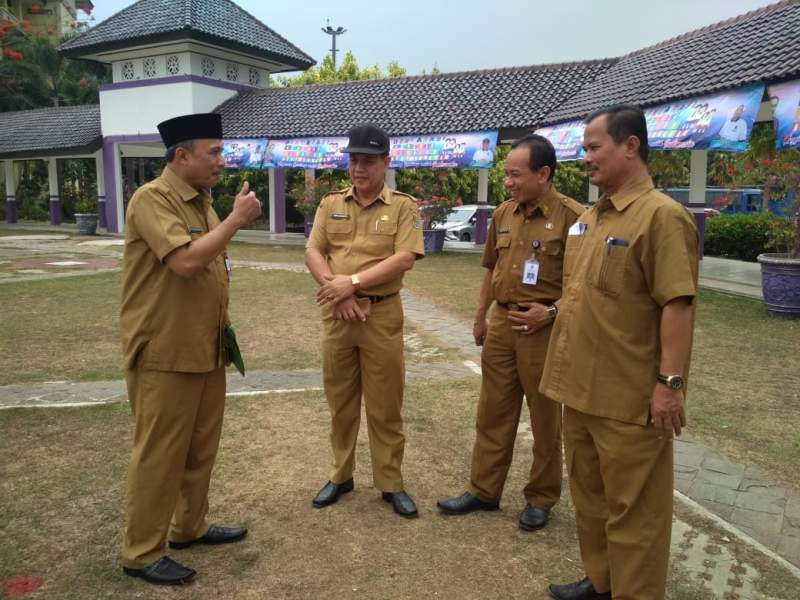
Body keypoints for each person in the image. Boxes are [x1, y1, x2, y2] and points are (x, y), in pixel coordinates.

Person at [542, 105, 699, 600]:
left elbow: (677, 303)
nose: (585, 158)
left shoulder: (662, 217)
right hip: (579, 387)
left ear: (630, 146)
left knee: (637, 513)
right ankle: (603, 582)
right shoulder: (590, 218)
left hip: (629, 398)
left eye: (593, 147)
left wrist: (669, 385)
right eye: (584, 149)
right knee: (590, 501)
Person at [119, 113, 262, 585]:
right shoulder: (151, 200)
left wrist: (226, 217)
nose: (222, 161)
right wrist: (238, 220)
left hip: (204, 347)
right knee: (160, 454)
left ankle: (189, 526)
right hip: (165, 351)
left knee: (201, 448)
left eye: (221, 152)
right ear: (181, 156)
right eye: (213, 152)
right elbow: (185, 262)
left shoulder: (202, 202)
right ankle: (141, 552)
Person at [437, 134, 584, 531]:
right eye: (506, 175)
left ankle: (541, 497)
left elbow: (582, 286)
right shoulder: (504, 214)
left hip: (543, 328)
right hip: (503, 323)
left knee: (545, 419)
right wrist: (480, 316)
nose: (509, 182)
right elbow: (490, 269)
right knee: (493, 412)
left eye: (516, 175)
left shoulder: (574, 218)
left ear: (544, 173)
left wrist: (551, 311)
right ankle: (484, 490)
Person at [305, 123, 425, 519]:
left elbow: (404, 258)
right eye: (354, 159)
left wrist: (352, 283)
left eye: (369, 161)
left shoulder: (404, 207)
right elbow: (314, 251)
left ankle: (391, 483)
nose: (359, 168)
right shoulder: (330, 204)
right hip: (338, 316)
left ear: (386, 163)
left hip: (381, 314)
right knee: (340, 402)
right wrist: (334, 291)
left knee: (385, 404)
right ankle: (341, 475)